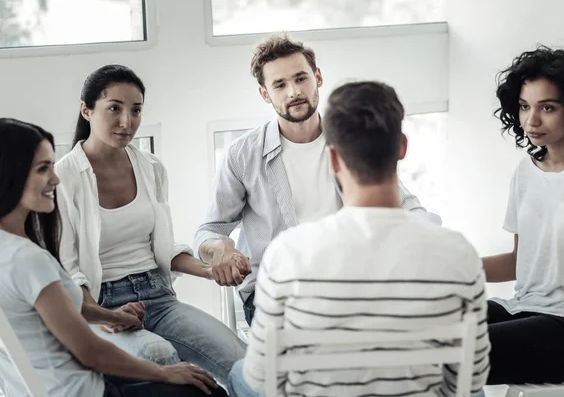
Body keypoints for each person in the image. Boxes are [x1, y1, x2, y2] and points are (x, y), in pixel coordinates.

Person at [225, 81, 489, 396]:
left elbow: (265, 379)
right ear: (402, 147)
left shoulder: (287, 254)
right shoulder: (459, 254)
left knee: (240, 372)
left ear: (333, 159)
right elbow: (469, 383)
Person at [195, 35, 441, 325]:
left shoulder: (349, 140)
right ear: (265, 94)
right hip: (276, 293)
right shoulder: (243, 155)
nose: (294, 92)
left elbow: (406, 205)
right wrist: (220, 247)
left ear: (318, 77)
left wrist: (427, 239)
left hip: (346, 284)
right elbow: (208, 230)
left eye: (301, 78)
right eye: (280, 85)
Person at [0, 117, 227, 397]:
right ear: (10, 172)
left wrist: (110, 315)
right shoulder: (27, 258)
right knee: (205, 391)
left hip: (43, 387)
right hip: (79, 390)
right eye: (43, 169)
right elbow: (89, 351)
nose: (55, 179)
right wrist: (165, 373)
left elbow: (64, 310)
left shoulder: (9, 249)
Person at [54, 65, 245, 384]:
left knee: (246, 364)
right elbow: (67, 270)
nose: (126, 121)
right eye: (114, 108)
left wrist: (211, 271)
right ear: (86, 110)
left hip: (158, 297)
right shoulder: (64, 177)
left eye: (136, 110)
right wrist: (100, 317)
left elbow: (164, 248)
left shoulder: (151, 167)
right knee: (159, 356)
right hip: (103, 307)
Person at [483, 46, 564, 385]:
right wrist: (450, 267)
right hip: (525, 307)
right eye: (523, 106)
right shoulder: (526, 171)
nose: (531, 121)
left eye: (547, 107)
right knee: (419, 325)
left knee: (456, 350)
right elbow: (522, 261)